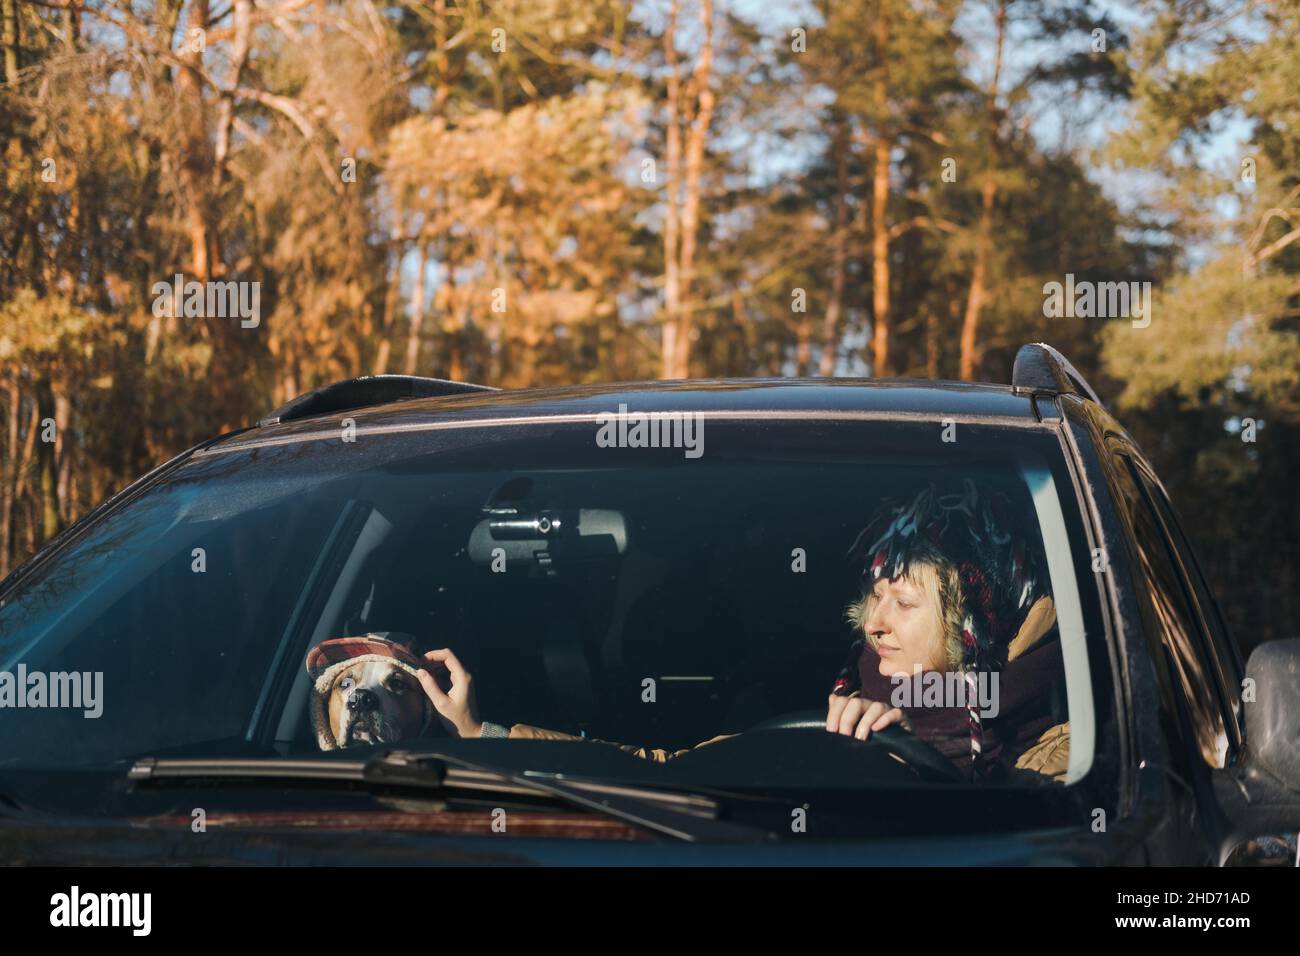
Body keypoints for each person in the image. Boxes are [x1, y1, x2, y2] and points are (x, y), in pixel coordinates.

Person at [417, 479, 1071, 781]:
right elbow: (658, 778)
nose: (874, 625)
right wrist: (484, 734)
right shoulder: (835, 723)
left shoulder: (1073, 748)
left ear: (977, 617)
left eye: (903, 602)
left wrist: (910, 768)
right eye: (873, 597)